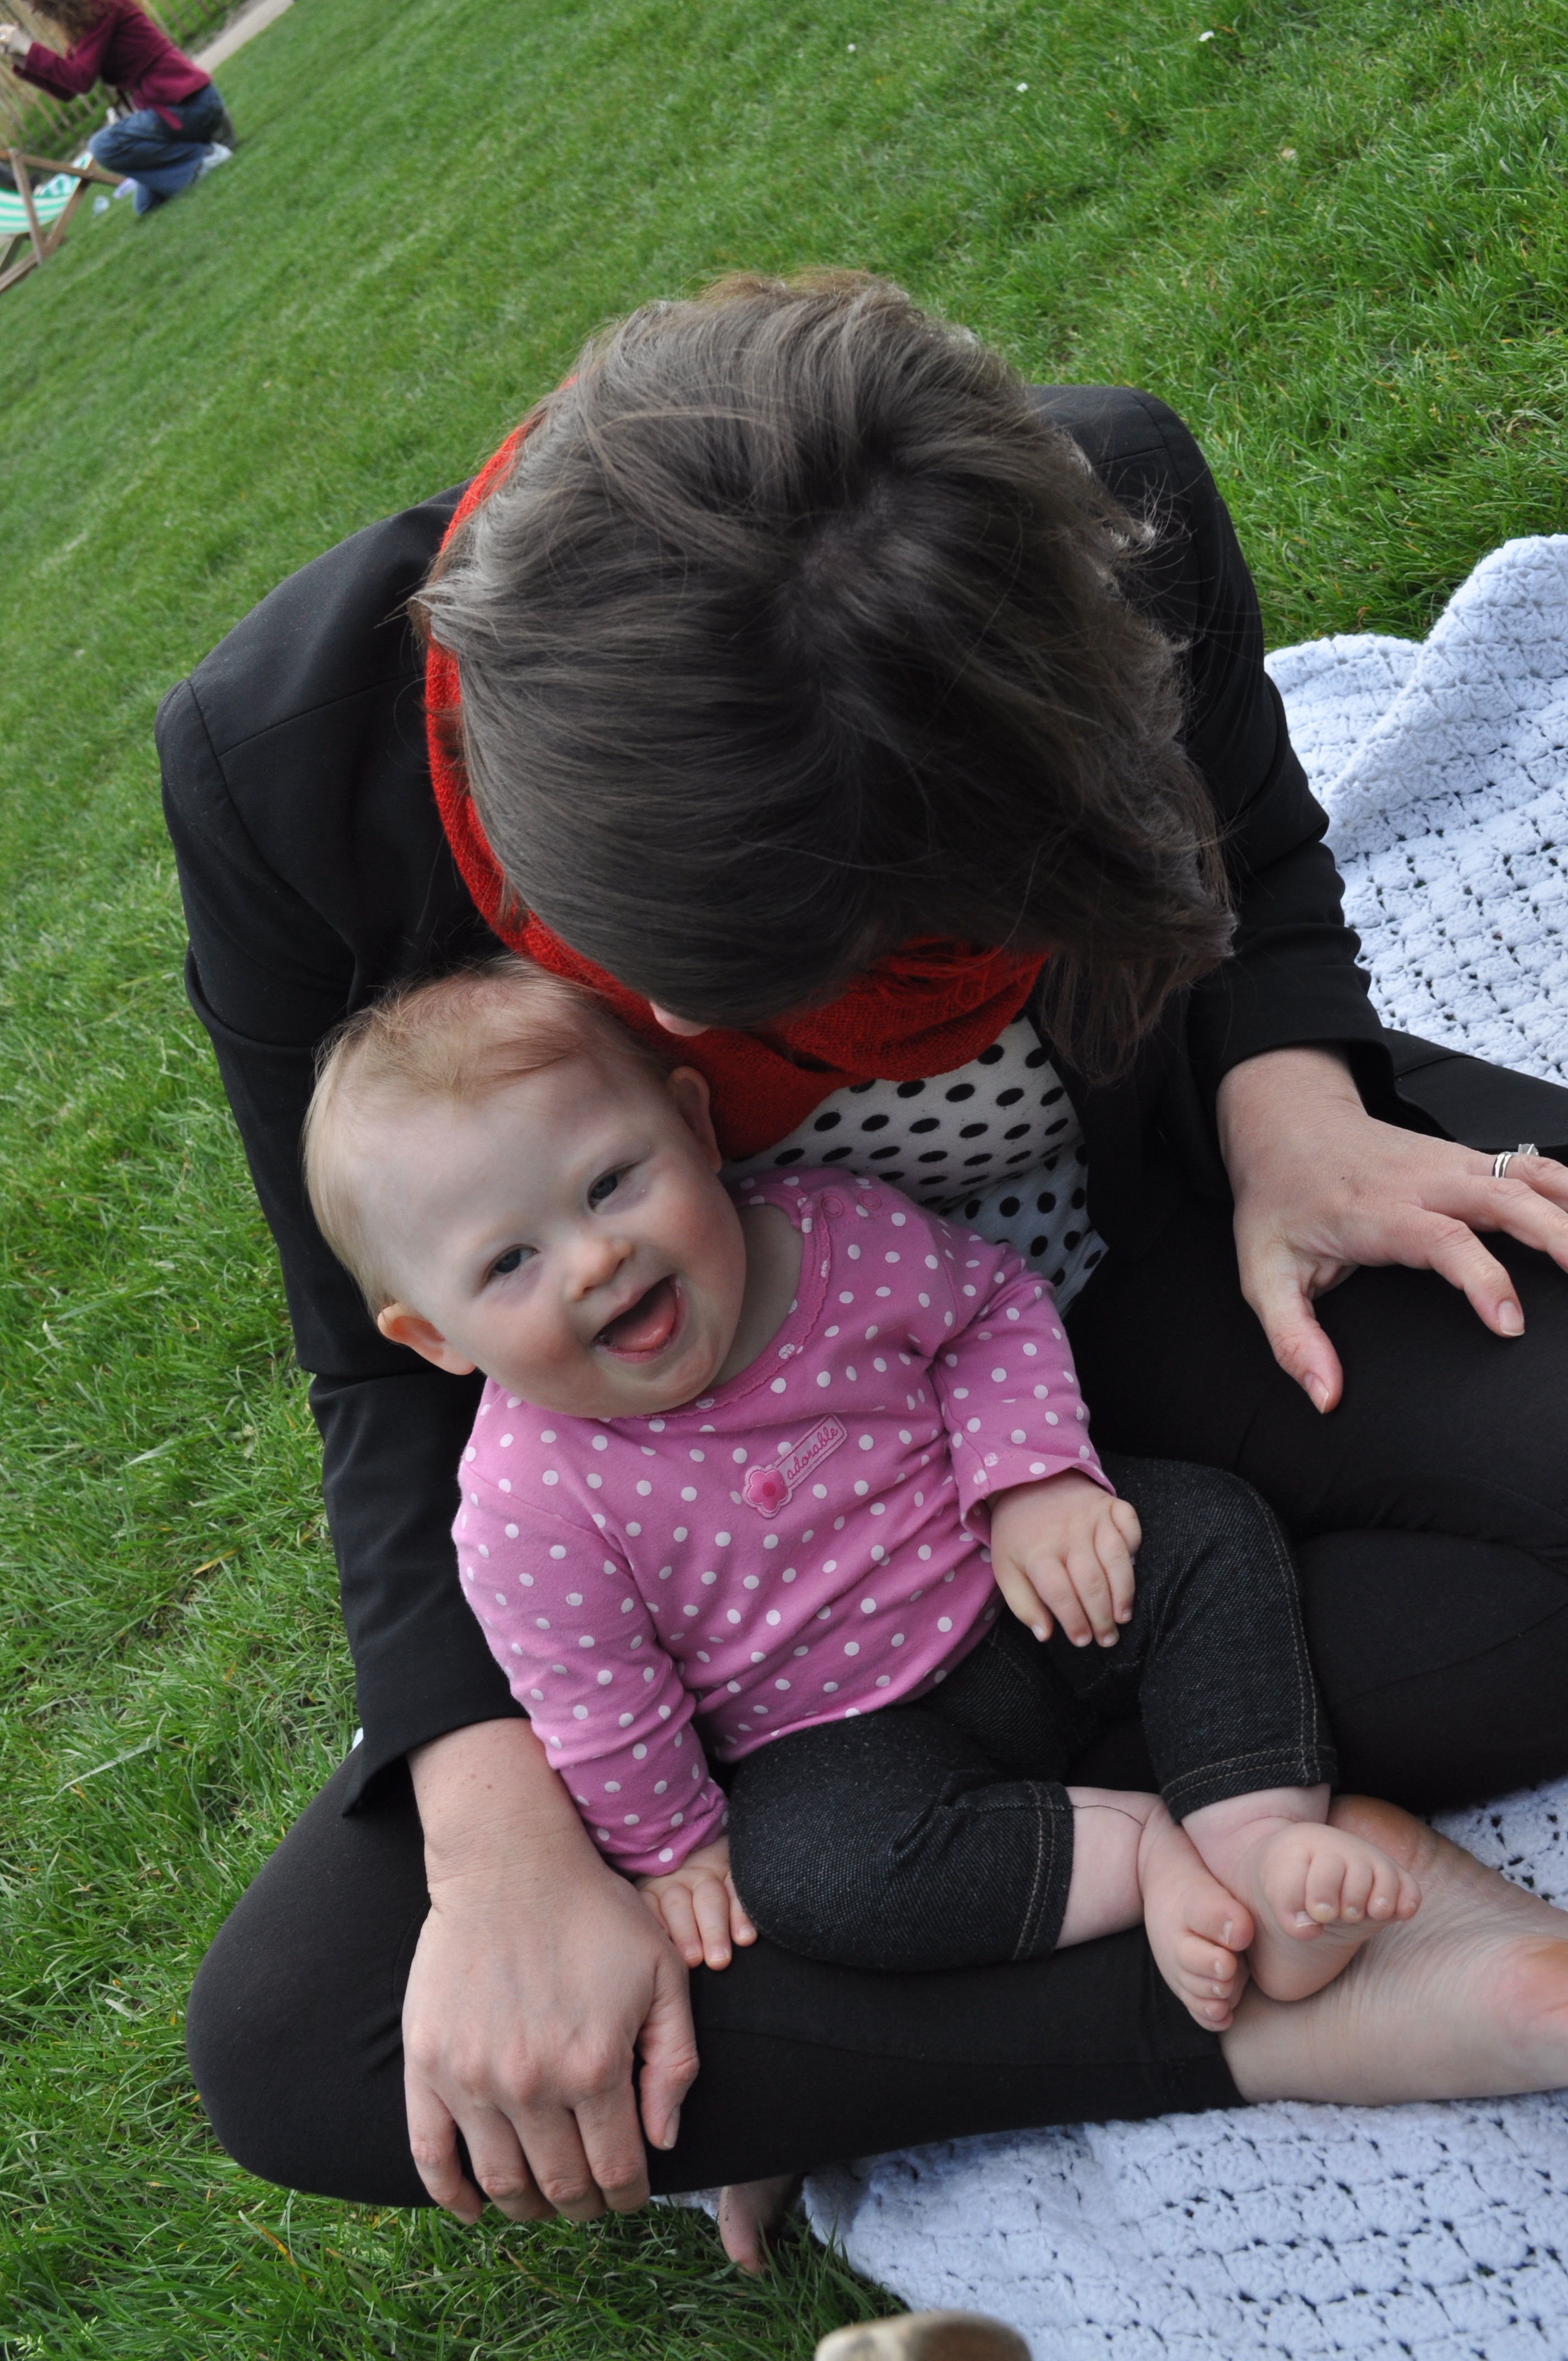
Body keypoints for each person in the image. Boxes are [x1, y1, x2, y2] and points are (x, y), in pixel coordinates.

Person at [159, 273, 1568, 2270]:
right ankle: (1258, 1961)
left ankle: (932, 1938)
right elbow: (381, 1361)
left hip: (1153, 1276)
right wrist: (499, 1832)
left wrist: (1289, 1098)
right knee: (313, 2041)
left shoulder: (1099, 507)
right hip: (759, 1553)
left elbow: (1249, 867)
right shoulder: (282, 772)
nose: (702, 1033)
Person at [303, 954, 1421, 2030]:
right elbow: (601, 1702)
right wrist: (678, 1847)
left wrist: (1028, 1478)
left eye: (609, 1183)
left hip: (1026, 1588)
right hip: (841, 1739)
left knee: (1201, 1531)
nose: (594, 1258)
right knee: (806, 1871)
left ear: (693, 1126)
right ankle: (1143, 1857)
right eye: (509, 1262)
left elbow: (989, 1309)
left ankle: (1256, 1837)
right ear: (434, 1336)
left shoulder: (828, 1238)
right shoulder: (528, 1500)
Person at [1, 0, 232, 216]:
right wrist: (23, 59)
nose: (31, 11)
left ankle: (205, 156)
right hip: (177, 109)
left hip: (186, 104)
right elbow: (68, 90)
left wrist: (28, 48)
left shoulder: (102, 7)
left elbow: (80, 79)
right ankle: (208, 140)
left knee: (103, 146)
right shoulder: (85, 18)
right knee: (146, 205)